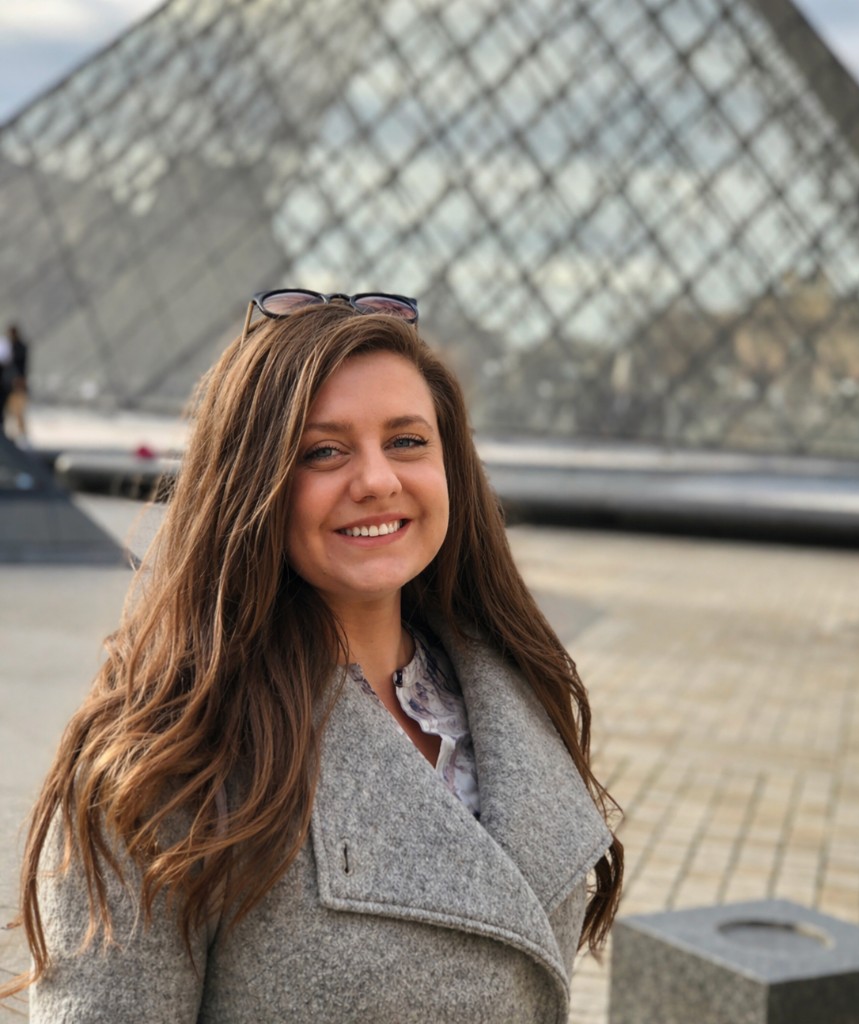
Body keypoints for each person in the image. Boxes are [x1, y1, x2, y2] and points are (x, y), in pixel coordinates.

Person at [2, 290, 623, 1023]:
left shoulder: (514, 697)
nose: (377, 480)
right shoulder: (168, 758)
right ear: (251, 484)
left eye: (407, 441)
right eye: (323, 451)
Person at [3, 323, 28, 442]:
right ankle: (12, 433)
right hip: (9, 384)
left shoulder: (19, 348)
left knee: (18, 410)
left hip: (16, 384)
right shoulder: (9, 347)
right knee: (10, 410)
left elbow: (20, 366)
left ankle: (20, 433)